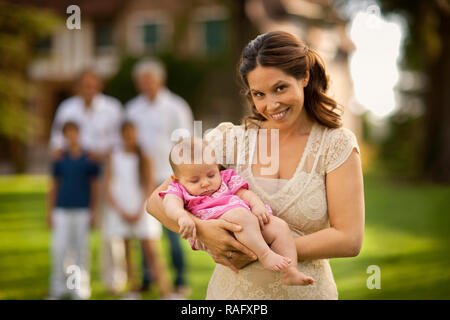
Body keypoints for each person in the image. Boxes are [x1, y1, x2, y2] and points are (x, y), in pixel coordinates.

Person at [146, 31, 365, 299]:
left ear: (304, 76)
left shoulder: (335, 145)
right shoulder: (228, 141)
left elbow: (349, 239)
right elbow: (156, 202)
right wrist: (207, 233)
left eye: (280, 88)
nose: (271, 104)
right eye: (259, 93)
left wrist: (259, 251)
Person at [159, 137, 314, 286]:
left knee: (279, 226)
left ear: (217, 167)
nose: (205, 183)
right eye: (195, 180)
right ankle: (265, 254)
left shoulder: (225, 178)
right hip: (217, 224)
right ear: (177, 178)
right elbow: (170, 204)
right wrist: (182, 217)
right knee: (241, 216)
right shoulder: (177, 188)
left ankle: (290, 271)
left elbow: (244, 194)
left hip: (247, 224)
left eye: (211, 175)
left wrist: (257, 205)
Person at [49, 70, 125, 295]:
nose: (88, 89)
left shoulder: (113, 108)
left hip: (107, 174)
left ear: (99, 85)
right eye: (84, 85)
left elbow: (120, 141)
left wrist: (97, 153)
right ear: (77, 87)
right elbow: (56, 140)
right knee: (73, 232)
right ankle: (71, 284)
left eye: (92, 85)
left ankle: (114, 281)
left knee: (110, 231)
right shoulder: (67, 108)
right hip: (77, 175)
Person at [125, 58, 194, 296]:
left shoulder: (176, 107)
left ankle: (180, 279)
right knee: (145, 232)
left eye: (149, 80)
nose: (145, 85)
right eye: (141, 81)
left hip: (169, 178)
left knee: (173, 232)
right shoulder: (132, 109)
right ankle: (146, 278)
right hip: (141, 180)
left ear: (159, 80)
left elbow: (185, 144)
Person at [103, 121, 172, 299]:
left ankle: (165, 290)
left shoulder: (145, 157)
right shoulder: (114, 156)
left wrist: (139, 209)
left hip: (142, 209)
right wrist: (121, 210)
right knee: (126, 250)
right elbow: (109, 184)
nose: (129, 137)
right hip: (122, 210)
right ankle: (132, 289)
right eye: (126, 133)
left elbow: (150, 185)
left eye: (132, 133)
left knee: (151, 250)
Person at [47, 121, 100, 299]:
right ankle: (58, 287)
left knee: (81, 249)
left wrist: (94, 210)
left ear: (79, 134)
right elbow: (53, 186)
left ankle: (79, 287)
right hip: (62, 209)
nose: (71, 136)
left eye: (74, 132)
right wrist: (49, 211)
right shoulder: (60, 159)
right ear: (64, 136)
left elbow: (94, 186)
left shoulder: (88, 159)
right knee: (60, 249)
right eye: (67, 133)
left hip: (82, 209)